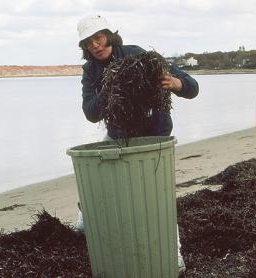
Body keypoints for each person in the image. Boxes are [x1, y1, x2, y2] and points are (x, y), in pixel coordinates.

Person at [75, 14, 199, 273]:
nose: (96, 45)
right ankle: (85, 219)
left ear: (109, 35)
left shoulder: (139, 56)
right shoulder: (91, 71)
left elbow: (192, 86)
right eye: (89, 42)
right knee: (96, 177)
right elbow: (91, 112)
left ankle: (173, 256)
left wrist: (175, 84)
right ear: (85, 47)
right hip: (119, 136)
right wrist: (108, 85)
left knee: (159, 199)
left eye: (99, 37)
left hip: (155, 138)